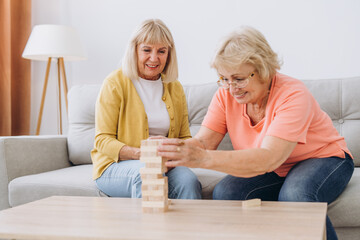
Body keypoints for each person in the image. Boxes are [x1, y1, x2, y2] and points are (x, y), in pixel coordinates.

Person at [157, 26, 354, 239]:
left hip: (324, 159)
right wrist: (175, 148)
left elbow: (269, 157)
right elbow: (204, 142)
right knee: (226, 193)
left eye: (239, 79)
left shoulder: (293, 94)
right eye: (224, 78)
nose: (232, 89)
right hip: (277, 167)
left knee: (295, 196)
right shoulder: (225, 96)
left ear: (264, 70)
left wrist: (203, 159)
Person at [91, 19, 202, 200]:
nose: (154, 58)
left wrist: (172, 156)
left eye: (161, 51)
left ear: (169, 54)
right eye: (146, 50)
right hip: (115, 166)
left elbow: (184, 137)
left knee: (189, 182)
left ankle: (187, 228)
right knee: (146, 175)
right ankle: (149, 228)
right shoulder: (114, 83)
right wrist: (141, 154)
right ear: (134, 50)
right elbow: (102, 140)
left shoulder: (175, 87)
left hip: (163, 165)